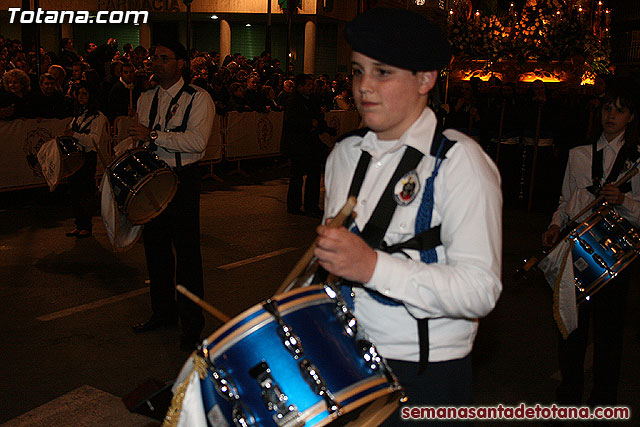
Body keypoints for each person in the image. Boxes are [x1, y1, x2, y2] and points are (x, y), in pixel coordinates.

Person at [312, 8, 502, 424]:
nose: (364, 87)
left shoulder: (459, 161)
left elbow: (480, 290)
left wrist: (372, 266)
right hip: (345, 362)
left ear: (426, 79)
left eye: (383, 73)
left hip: (423, 377)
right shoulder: (344, 155)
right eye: (358, 71)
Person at [541, 78, 639, 409]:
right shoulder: (579, 154)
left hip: (616, 256)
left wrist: (623, 200)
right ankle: (568, 394)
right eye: (608, 108)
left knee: (609, 333)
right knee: (571, 326)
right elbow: (565, 199)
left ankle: (603, 400)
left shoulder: (636, 161)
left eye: (620, 110)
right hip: (577, 249)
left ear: (631, 117)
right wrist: (555, 225)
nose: (611, 115)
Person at [128, 40, 215, 352]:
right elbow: (140, 140)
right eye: (155, 57)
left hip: (182, 179)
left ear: (181, 63)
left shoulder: (199, 98)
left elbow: (197, 142)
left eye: (164, 58)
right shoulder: (146, 98)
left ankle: (192, 324)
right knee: (155, 249)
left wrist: (153, 136)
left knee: (187, 254)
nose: (156, 62)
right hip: (152, 177)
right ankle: (163, 312)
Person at [282, 73, 334, 217]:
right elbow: (293, 122)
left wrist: (325, 128)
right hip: (298, 143)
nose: (311, 87)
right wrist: (310, 123)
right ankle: (294, 205)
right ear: (300, 86)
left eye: (311, 85)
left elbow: (318, 117)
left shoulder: (311, 100)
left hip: (311, 143)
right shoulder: (294, 101)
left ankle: (312, 205)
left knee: (314, 174)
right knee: (297, 175)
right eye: (308, 85)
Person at [63, 80, 108, 238]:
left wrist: (74, 135)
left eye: (84, 94)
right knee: (74, 191)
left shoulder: (98, 117)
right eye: (79, 94)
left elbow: (93, 141)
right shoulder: (79, 115)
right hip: (75, 157)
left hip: (87, 157)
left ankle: (86, 225)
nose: (81, 97)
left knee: (85, 191)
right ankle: (79, 223)